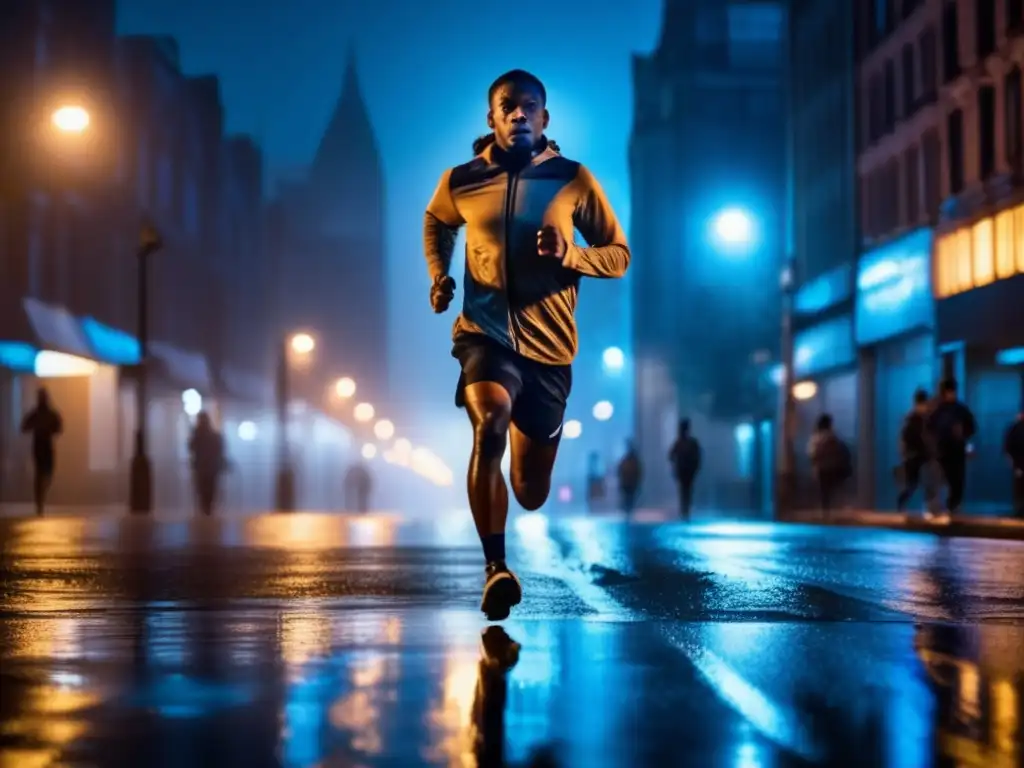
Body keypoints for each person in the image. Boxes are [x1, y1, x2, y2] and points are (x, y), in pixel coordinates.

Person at [423, 69, 630, 620]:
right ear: (491, 117)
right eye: (506, 106)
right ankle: (496, 569)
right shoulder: (462, 180)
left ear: (545, 118)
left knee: (531, 489)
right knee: (488, 421)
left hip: (551, 348)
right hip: (484, 335)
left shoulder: (573, 179)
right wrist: (438, 275)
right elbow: (437, 221)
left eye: (529, 106)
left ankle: (530, 427)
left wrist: (573, 256)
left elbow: (618, 253)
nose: (518, 114)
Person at [927, 378, 976, 519]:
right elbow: (929, 430)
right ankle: (938, 506)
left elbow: (971, 427)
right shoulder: (937, 410)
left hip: (956, 450)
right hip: (942, 451)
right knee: (943, 479)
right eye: (949, 392)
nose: (951, 395)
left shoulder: (960, 410)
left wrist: (963, 435)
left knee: (957, 480)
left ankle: (953, 506)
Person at [896, 388, 941, 517]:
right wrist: (907, 454)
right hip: (914, 456)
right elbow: (906, 439)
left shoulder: (924, 419)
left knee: (929, 481)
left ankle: (931, 508)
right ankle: (902, 505)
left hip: (923, 456)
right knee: (912, 484)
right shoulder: (912, 420)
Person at [20, 387, 63, 516]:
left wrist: (49, 429)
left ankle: (41, 496)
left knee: (48, 473)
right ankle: (39, 501)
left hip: (46, 445)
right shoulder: (36, 414)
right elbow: (24, 427)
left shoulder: (49, 414)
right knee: (40, 473)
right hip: (39, 446)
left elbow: (59, 427)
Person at [807, 413, 851, 516]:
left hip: (822, 468)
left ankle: (826, 510)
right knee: (830, 491)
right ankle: (831, 510)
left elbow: (812, 454)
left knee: (824, 491)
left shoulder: (816, 438)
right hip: (832, 467)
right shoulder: (832, 437)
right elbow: (839, 452)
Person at [188, 411, 226, 516]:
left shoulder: (199, 436)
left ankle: (206, 512)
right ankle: (207, 512)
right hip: (208, 469)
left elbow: (191, 448)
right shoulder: (209, 436)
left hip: (205, 469)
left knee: (205, 493)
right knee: (207, 493)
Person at [668, 418, 701, 520]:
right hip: (685, 471)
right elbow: (671, 456)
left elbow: (671, 456)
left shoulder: (682, 443)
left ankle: (685, 511)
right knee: (686, 491)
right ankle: (685, 511)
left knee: (685, 491)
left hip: (685, 471)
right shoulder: (686, 443)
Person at [1003, 410, 1024, 518]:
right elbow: (1008, 446)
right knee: (1019, 489)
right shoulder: (1015, 428)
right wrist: (1012, 461)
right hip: (1019, 464)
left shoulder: (1015, 427)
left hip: (1018, 463)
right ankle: (1019, 511)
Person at [617, 439, 642, 516]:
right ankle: (628, 511)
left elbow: (637, 471)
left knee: (629, 498)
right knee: (628, 498)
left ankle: (628, 511)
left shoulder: (631, 461)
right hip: (628, 482)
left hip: (630, 482)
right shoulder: (628, 460)